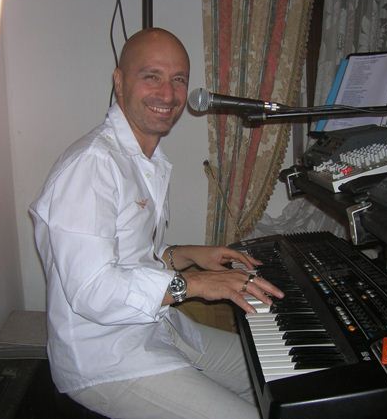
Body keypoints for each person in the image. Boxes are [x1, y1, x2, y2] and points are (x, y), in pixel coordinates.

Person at [30, 27, 284, 419]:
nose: (168, 94)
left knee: (282, 378)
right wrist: (194, 284)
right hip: (106, 358)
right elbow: (94, 290)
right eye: (152, 76)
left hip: (157, 328)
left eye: (178, 80)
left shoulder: (145, 159)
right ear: (119, 82)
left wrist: (186, 255)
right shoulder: (92, 166)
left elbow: (130, 257)